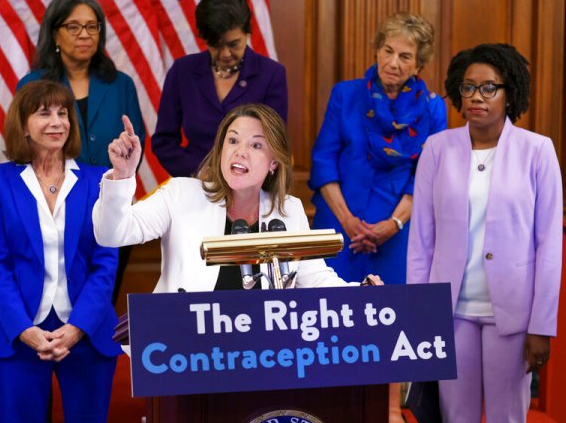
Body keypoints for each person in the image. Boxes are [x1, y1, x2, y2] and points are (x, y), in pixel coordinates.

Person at [407, 43, 563, 423]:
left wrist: (541, 325)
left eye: (488, 88)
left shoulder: (538, 151)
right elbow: (421, 241)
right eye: (468, 87)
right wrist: (420, 315)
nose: (476, 96)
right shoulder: (437, 150)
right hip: (449, 313)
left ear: (509, 93)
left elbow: (549, 247)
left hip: (511, 318)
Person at [308, 12, 446, 423]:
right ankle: (330, 402)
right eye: (388, 50)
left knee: (391, 315)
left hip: (396, 227)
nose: (394, 62)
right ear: (376, 50)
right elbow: (323, 160)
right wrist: (349, 222)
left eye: (406, 56)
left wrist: (391, 224)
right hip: (339, 222)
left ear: (419, 64)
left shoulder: (433, 109)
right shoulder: (345, 95)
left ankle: (390, 408)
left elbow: (425, 176)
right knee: (331, 314)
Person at [0, 80, 122, 423]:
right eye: (44, 112)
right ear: (23, 125)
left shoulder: (98, 180)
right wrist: (24, 328)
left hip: (87, 334)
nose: (57, 121)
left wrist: (78, 327)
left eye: (63, 113)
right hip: (19, 334)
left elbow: (105, 262)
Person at [94, 103, 380, 293]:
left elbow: (313, 277)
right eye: (232, 140)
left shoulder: (289, 210)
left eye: (256, 145)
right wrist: (122, 177)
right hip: (186, 351)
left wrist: (359, 291)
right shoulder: (180, 194)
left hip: (258, 352)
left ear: (273, 163)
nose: (240, 151)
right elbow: (112, 234)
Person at [17, 0, 144, 305]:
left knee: (101, 299)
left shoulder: (121, 83)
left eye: (92, 26)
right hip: (53, 208)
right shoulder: (32, 85)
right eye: (74, 27)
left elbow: (137, 142)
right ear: (55, 33)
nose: (85, 34)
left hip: (110, 208)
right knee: (54, 298)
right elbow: (22, 147)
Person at [152, 0, 288, 178]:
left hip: (251, 187)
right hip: (195, 185)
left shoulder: (271, 74)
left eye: (233, 44)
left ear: (247, 33)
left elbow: (275, 144)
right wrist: (199, 171)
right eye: (215, 45)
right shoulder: (182, 71)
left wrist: (239, 174)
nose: (225, 54)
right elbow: (164, 142)